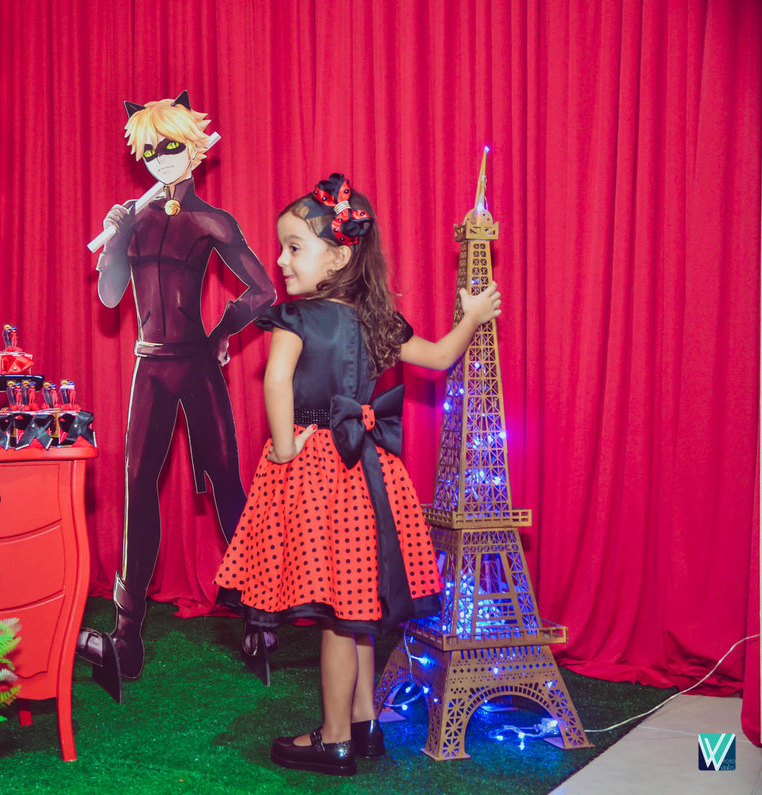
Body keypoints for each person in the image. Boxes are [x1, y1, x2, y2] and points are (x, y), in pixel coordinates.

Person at [214, 174, 502, 776]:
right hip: (371, 471)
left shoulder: (295, 318)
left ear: (339, 257)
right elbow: (441, 356)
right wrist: (473, 315)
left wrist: (285, 448)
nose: (281, 259)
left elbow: (276, 380)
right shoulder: (379, 321)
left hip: (317, 470)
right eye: (283, 246)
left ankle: (335, 738)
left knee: (337, 619)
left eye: (294, 247)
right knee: (357, 606)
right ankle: (367, 725)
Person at [78, 92, 275, 692]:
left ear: (194, 149)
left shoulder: (212, 220)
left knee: (226, 481)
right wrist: (116, 237)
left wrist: (221, 333)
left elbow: (263, 291)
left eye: (171, 146)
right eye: (150, 149)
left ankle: (259, 617)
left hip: (196, 365)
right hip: (150, 367)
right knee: (137, 488)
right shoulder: (134, 219)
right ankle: (127, 632)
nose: (161, 158)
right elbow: (109, 296)